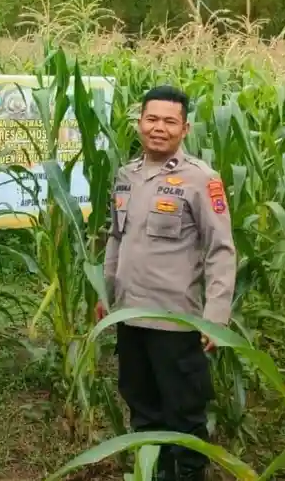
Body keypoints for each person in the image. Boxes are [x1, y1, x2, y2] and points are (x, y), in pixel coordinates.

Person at [97, 85, 237, 481]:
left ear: (185, 128)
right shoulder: (127, 176)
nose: (159, 128)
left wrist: (216, 316)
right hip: (128, 317)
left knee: (184, 418)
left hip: (175, 323)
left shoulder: (200, 180)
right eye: (152, 119)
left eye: (169, 121)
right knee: (142, 410)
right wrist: (106, 294)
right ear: (140, 123)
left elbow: (221, 250)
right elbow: (116, 237)